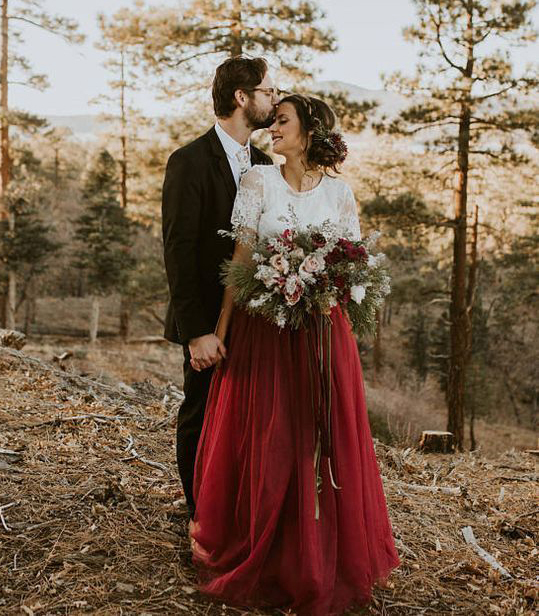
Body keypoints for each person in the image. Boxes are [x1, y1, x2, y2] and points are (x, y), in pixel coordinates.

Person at [189, 94, 401, 615]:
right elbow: (240, 262)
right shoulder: (257, 182)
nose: (272, 129)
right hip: (264, 335)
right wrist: (218, 333)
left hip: (323, 336)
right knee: (270, 437)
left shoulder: (340, 194)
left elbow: (354, 267)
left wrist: (324, 287)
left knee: (318, 438)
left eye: (282, 122)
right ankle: (264, 548)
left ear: (309, 132)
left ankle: (317, 557)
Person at [161, 56, 278, 519]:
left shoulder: (267, 166)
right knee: (201, 413)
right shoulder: (188, 162)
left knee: (245, 419)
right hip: (208, 321)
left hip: (256, 321)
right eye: (268, 91)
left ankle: (236, 512)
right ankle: (199, 516)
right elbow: (179, 251)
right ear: (241, 97)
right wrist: (196, 332)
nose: (274, 98)